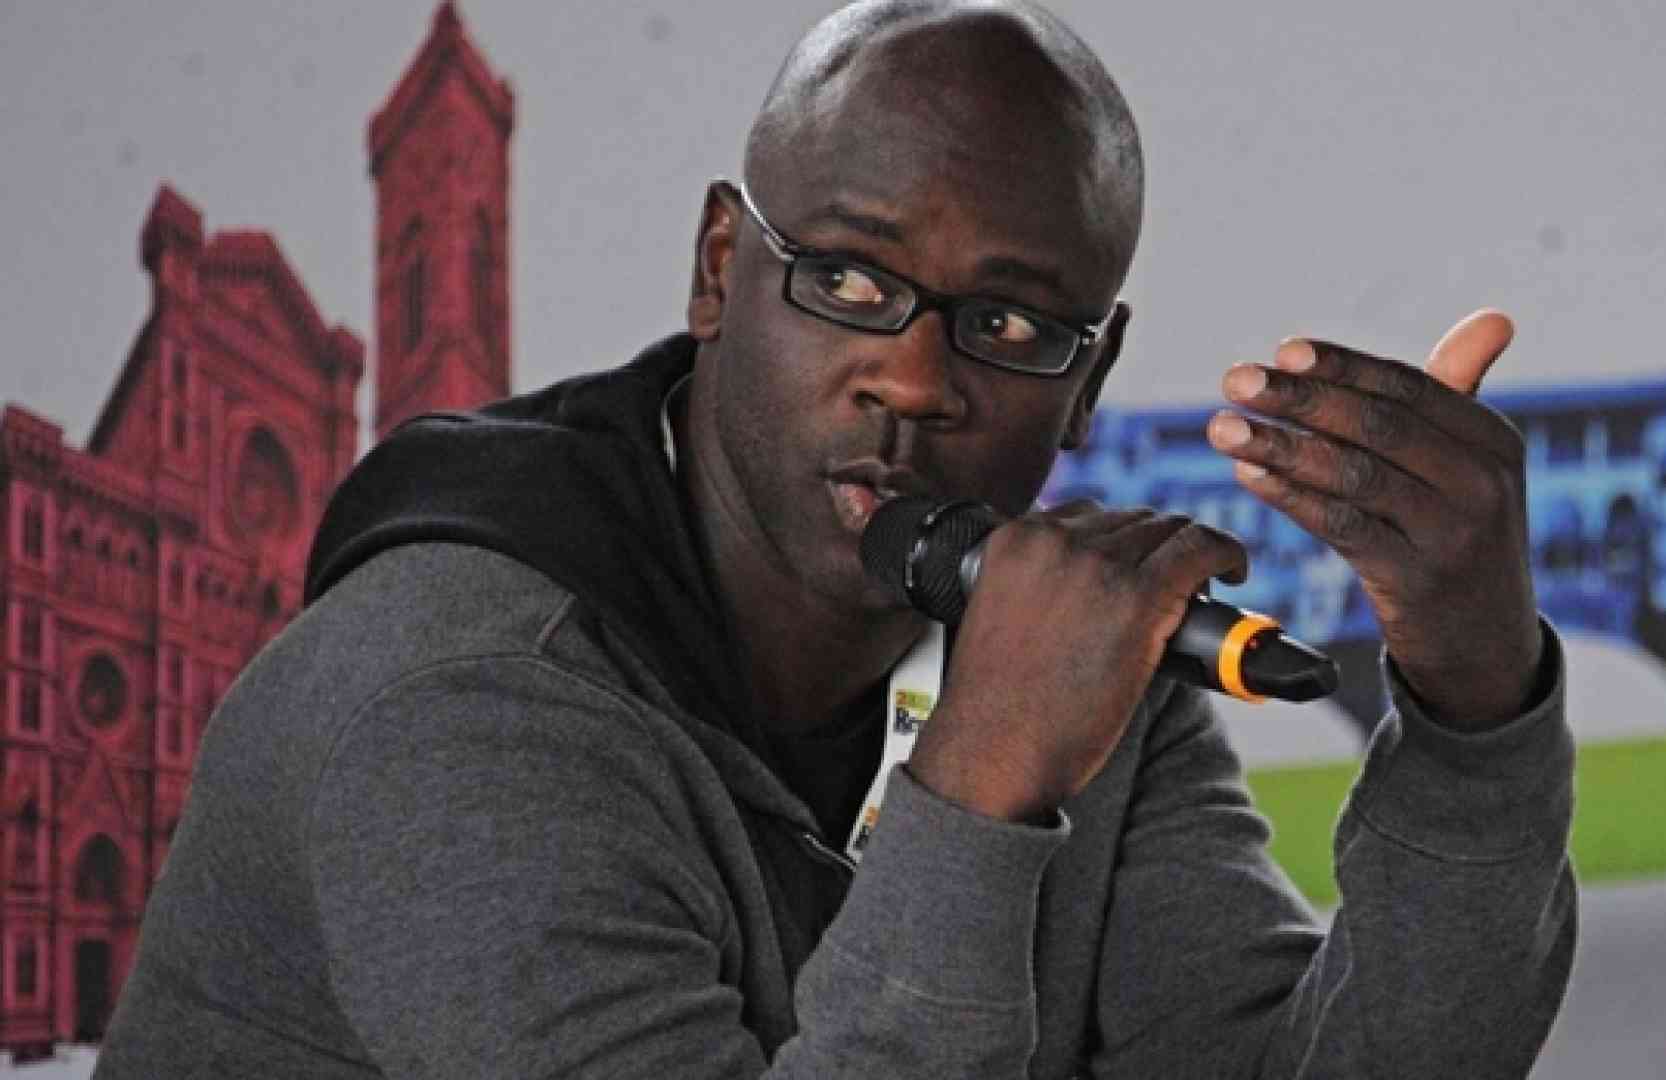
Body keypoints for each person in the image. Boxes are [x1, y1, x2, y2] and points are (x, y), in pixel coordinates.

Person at [98, 1, 1575, 1076]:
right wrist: (983, 782)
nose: (917, 382)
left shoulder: (1059, 656)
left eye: (1010, 326)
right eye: (853, 284)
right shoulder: (458, 698)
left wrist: (1475, 691)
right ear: (719, 269)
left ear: (1089, 384)